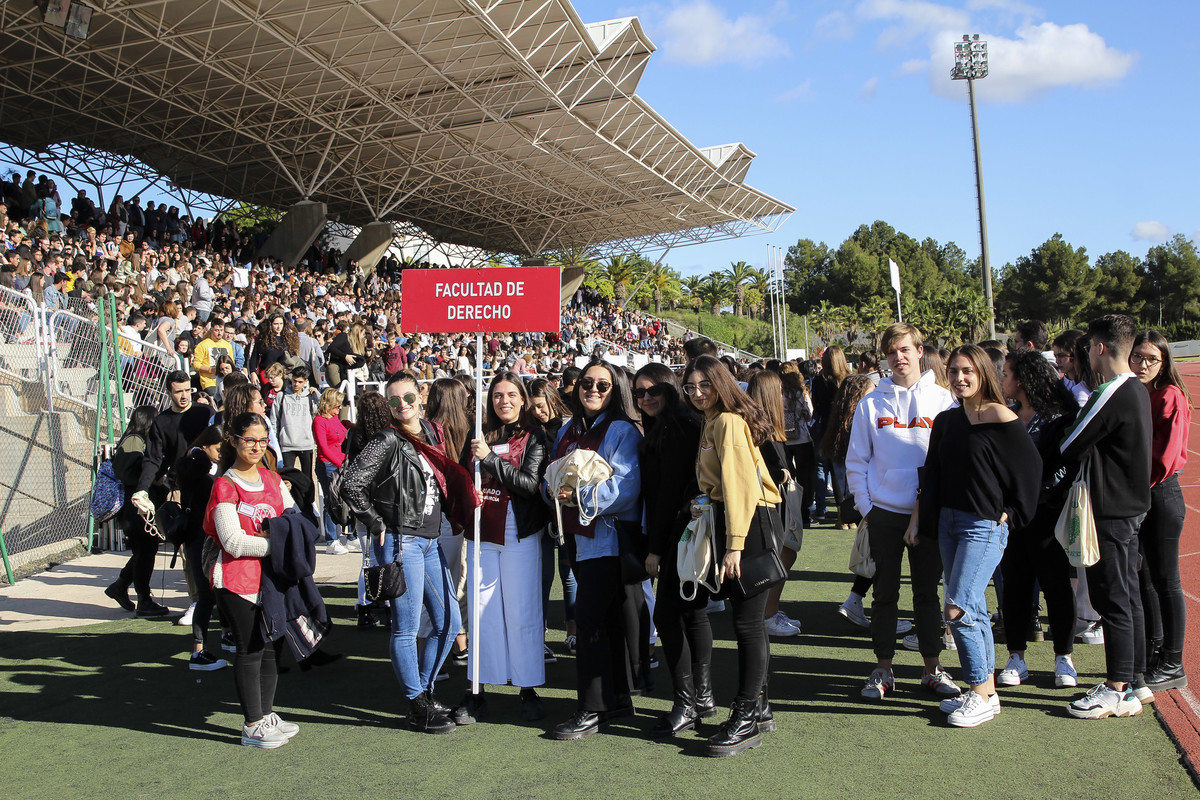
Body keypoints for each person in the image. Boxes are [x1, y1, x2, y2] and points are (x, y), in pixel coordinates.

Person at [341, 374, 476, 734]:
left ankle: (425, 693)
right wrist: (374, 521)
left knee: (449, 622)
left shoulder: (433, 431)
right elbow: (349, 483)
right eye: (395, 400)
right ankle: (417, 704)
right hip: (402, 541)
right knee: (407, 627)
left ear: (421, 397)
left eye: (409, 397)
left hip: (430, 538)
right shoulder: (387, 438)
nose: (403, 405)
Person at [921, 345, 1041, 727]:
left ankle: (976, 691)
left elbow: (1031, 469)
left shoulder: (1001, 416)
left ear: (983, 372)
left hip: (983, 525)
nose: (959, 378)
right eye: (953, 371)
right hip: (948, 523)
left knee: (957, 607)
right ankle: (987, 693)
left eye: (967, 371)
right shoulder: (946, 421)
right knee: (971, 606)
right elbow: (934, 472)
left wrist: (1013, 511)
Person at [846, 323, 958, 703]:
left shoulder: (944, 401)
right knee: (884, 595)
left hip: (928, 515)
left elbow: (951, 462)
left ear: (920, 351)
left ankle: (931, 669)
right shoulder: (871, 403)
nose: (899, 357)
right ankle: (884, 668)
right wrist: (868, 508)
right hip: (885, 515)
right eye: (892, 351)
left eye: (905, 349)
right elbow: (856, 461)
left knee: (928, 594)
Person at [680, 355, 782, 757]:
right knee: (749, 623)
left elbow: (741, 486)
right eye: (691, 387)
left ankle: (745, 717)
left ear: (722, 384)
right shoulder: (714, 420)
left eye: (705, 385)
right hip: (733, 519)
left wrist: (735, 544)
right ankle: (759, 706)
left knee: (747, 624)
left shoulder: (727, 422)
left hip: (746, 524)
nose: (698, 393)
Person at [544, 359, 642, 741]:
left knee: (589, 624)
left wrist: (576, 494)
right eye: (587, 382)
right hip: (577, 538)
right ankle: (616, 699)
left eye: (603, 385)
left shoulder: (621, 430)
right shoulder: (569, 428)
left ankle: (591, 707)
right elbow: (552, 473)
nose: (593, 390)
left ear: (616, 389)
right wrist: (552, 490)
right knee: (603, 623)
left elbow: (626, 488)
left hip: (608, 540)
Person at [1061, 314, 1153, 719]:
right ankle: (1132, 681)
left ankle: (1116, 688)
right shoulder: (1135, 388)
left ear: (1099, 347)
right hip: (1129, 506)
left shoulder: (1112, 391)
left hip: (1111, 510)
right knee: (1127, 597)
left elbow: (1069, 444)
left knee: (1112, 598)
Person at [453, 372, 550, 725]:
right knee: (481, 613)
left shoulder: (535, 436)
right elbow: (462, 478)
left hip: (519, 534)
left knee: (521, 610)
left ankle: (527, 688)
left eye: (511, 394)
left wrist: (490, 461)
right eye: (497, 395)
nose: (504, 401)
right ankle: (477, 689)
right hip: (482, 532)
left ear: (523, 399)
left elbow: (528, 485)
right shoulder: (478, 435)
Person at [202, 412, 301, 748]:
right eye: (250, 440)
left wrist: (285, 536)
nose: (257, 446)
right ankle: (252, 724)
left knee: (274, 646)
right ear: (234, 441)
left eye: (263, 440)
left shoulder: (272, 479)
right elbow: (233, 542)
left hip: (272, 579)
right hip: (236, 579)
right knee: (251, 648)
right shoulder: (225, 484)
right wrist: (277, 544)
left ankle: (267, 713)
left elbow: (293, 516)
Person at [996, 350, 1082, 691]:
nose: (1002, 380)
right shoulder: (1008, 415)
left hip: (1050, 517)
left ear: (1023, 379)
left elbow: (1068, 466)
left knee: (1057, 586)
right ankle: (1016, 656)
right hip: (1013, 518)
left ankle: (1064, 656)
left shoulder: (1060, 418)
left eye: (1006, 373)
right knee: (1015, 587)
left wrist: (1040, 493)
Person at [635, 362, 712, 739]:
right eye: (639, 393)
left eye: (654, 391)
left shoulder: (680, 425)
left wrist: (655, 550)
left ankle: (687, 702)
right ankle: (702, 695)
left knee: (667, 615)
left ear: (669, 389)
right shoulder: (668, 423)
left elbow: (668, 494)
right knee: (692, 615)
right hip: (685, 532)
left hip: (682, 534)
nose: (646, 398)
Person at [1131, 330, 1191, 692]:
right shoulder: (1139, 393)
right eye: (1137, 356)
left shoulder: (1170, 396)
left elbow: (1165, 459)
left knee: (1167, 580)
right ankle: (1154, 650)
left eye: (1151, 358)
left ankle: (1172, 661)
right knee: (1145, 577)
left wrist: (1132, 490)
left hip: (1160, 495)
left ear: (1164, 362)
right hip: (1141, 495)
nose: (1143, 364)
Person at [103, 405, 172, 617]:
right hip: (135, 507)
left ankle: (121, 585)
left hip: (139, 505)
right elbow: (126, 473)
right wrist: (151, 477)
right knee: (145, 551)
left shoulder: (139, 440)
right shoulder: (135, 440)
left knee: (145, 550)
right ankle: (144, 599)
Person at [748, 369, 802, 638]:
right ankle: (767, 614)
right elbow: (769, 470)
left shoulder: (767, 427)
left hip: (774, 502)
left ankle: (770, 610)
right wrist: (783, 473)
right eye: (779, 392)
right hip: (767, 504)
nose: (783, 397)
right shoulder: (759, 429)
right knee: (780, 554)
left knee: (784, 552)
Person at [174, 424, 230, 670]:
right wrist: (199, 454)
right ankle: (198, 651)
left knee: (221, 589)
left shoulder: (206, 465)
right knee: (206, 594)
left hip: (211, 535)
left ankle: (226, 634)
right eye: (218, 448)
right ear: (205, 445)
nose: (220, 453)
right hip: (198, 537)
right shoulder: (195, 463)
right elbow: (190, 471)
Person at [529, 376, 577, 653]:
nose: (538, 411)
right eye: (533, 407)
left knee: (569, 573)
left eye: (541, 404)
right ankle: (540, 635)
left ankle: (572, 632)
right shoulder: (531, 429)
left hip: (566, 507)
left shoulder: (571, 425)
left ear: (552, 397)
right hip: (539, 510)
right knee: (542, 576)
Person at [809, 345, 852, 524]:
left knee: (821, 469)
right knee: (842, 471)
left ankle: (820, 509)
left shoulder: (818, 380)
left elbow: (817, 406)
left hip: (823, 428)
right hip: (843, 429)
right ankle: (846, 514)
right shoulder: (849, 379)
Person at [312, 387, 347, 546]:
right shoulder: (319, 420)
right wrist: (338, 463)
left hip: (340, 462)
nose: (339, 408)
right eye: (337, 405)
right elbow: (323, 447)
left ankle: (349, 535)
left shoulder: (335, 418)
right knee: (330, 501)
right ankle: (331, 539)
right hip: (327, 464)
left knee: (345, 499)